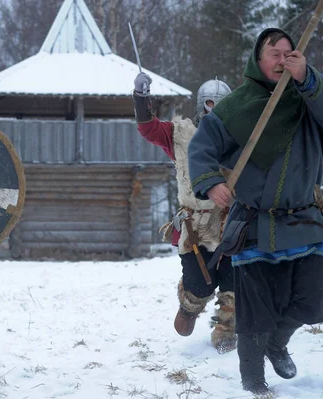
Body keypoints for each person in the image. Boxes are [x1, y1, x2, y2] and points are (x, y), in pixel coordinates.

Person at [188, 28, 323, 395]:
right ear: (257, 61)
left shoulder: (311, 99)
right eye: (274, 53)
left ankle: (278, 343)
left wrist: (307, 77)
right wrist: (212, 181)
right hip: (253, 222)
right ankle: (254, 384)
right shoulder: (236, 105)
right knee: (255, 313)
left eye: (290, 52)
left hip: (304, 219)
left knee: (313, 304)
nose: (282, 59)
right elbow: (202, 147)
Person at [132, 73, 235, 353]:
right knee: (200, 283)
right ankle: (190, 306)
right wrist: (141, 99)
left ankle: (226, 331)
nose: (215, 109)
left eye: (222, 104)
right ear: (203, 104)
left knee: (234, 280)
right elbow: (149, 129)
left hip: (232, 221)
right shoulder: (181, 134)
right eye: (211, 103)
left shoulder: (242, 136)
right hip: (196, 224)